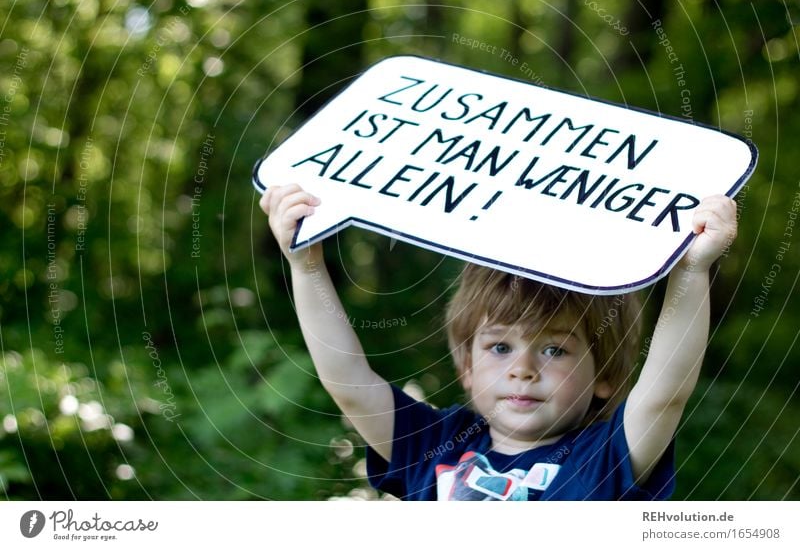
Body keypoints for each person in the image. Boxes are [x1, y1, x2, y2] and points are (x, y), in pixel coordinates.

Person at [259, 184, 737, 500]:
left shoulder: (604, 458)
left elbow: (664, 395)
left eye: (554, 349)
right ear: (466, 367)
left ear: (606, 376)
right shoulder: (435, 445)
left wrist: (691, 271)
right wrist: (306, 266)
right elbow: (348, 383)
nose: (522, 368)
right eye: (500, 347)